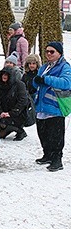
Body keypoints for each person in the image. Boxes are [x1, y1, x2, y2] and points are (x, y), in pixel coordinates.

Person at [33, 41, 71, 171]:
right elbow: (37, 81)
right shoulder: (44, 67)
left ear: (59, 53)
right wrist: (34, 81)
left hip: (55, 106)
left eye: (52, 52)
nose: (49, 54)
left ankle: (57, 160)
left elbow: (66, 82)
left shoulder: (64, 67)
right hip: (42, 105)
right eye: (47, 51)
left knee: (55, 135)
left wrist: (46, 79)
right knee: (42, 132)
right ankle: (47, 155)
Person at [0, 66, 30, 141]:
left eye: (6, 75)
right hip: (5, 113)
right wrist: (0, 112)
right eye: (3, 74)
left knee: (5, 125)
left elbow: (23, 101)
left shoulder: (19, 85)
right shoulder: (0, 85)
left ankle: (20, 131)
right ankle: (8, 126)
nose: (4, 76)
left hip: (19, 113)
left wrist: (11, 113)